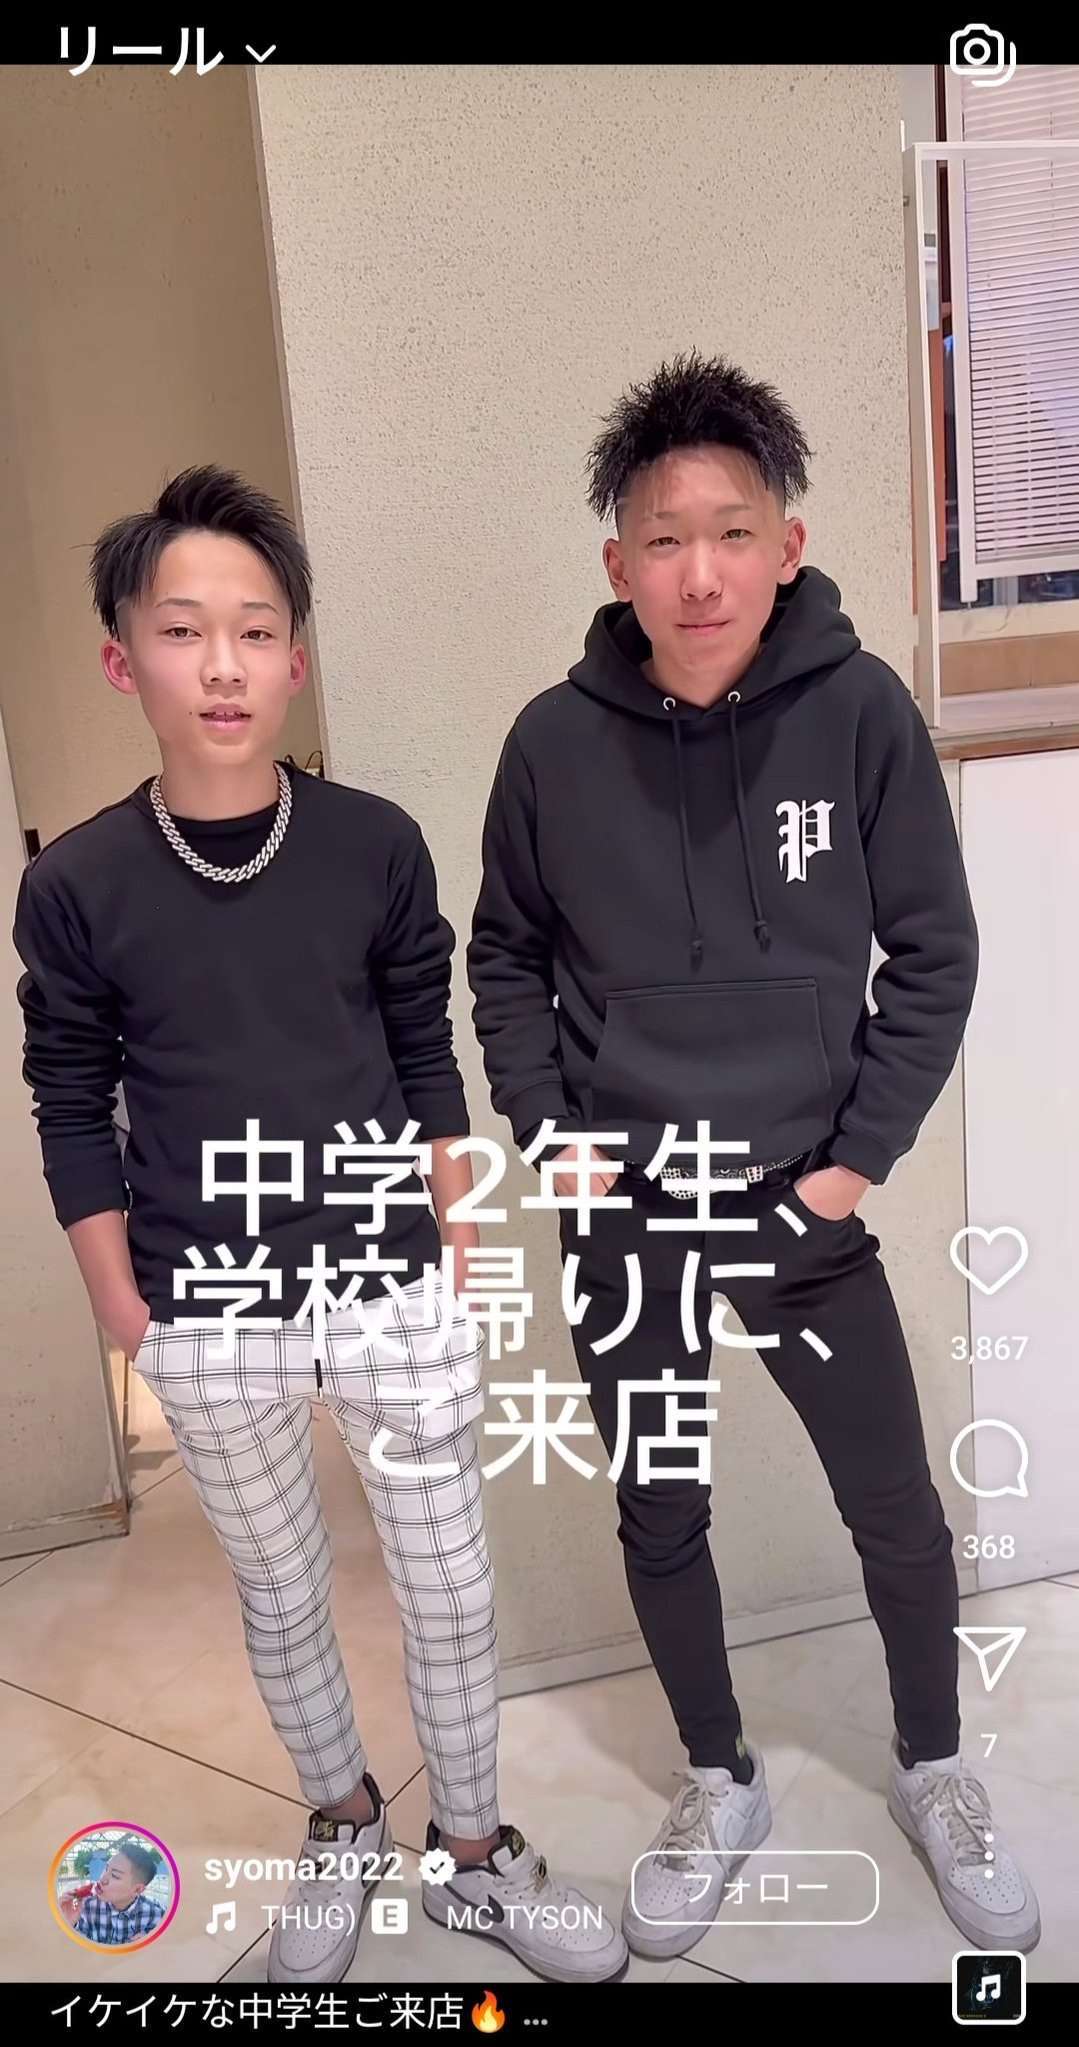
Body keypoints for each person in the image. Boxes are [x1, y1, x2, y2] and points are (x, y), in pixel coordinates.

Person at [14, 466, 626, 1988]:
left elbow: (424, 1045)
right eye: (182, 630)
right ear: (123, 660)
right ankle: (343, 1819)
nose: (220, 665)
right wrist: (122, 1306)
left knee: (449, 1583)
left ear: (294, 655)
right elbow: (69, 1096)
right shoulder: (76, 882)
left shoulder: (372, 843)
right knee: (280, 1589)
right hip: (202, 1297)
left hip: (387, 1274)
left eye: (254, 630)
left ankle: (473, 1851)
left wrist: (453, 1231)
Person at [466, 352, 1041, 1960]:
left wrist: (848, 1163)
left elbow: (931, 950)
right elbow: (502, 953)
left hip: (800, 1204)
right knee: (659, 1506)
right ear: (617, 563)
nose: (698, 571)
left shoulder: (858, 714)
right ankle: (716, 1775)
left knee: (893, 1507)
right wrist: (554, 1138)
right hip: (628, 1215)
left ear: (785, 544)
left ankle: (932, 1764)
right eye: (663, 539)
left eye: (730, 532)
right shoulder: (549, 743)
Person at [59, 1839, 164, 1944]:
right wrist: (69, 1924)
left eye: (115, 1875)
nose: (102, 1879)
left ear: (137, 1889)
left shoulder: (156, 1916)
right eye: (106, 1869)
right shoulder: (87, 1906)